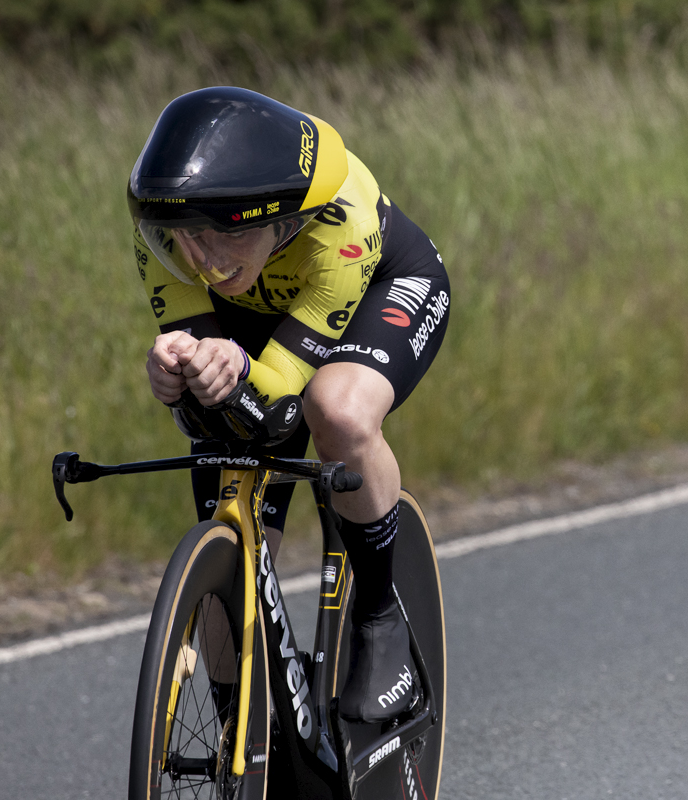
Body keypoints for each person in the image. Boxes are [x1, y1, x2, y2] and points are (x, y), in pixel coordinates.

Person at [127, 86, 450, 725]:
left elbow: (283, 398)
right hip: (259, 315)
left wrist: (238, 372)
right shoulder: (164, 231)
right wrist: (178, 376)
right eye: (179, 242)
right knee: (231, 528)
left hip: (379, 288)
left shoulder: (341, 223)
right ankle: (246, 735)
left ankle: (381, 620)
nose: (197, 264)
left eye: (215, 241)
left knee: (336, 411)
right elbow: (208, 373)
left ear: (277, 220)